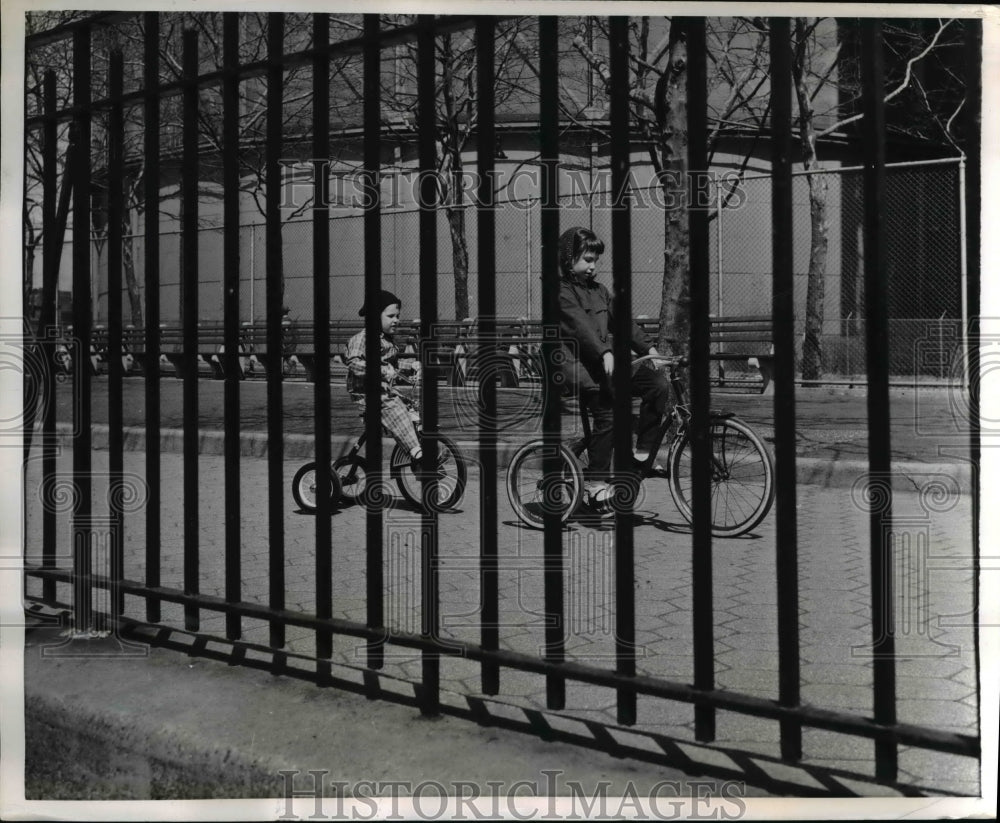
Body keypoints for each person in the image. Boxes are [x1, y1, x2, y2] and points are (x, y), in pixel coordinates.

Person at [556, 226, 672, 506]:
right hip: (579, 368)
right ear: (568, 260)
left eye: (595, 260)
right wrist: (604, 351)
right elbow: (579, 328)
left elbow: (623, 323)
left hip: (605, 365)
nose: (593, 266)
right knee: (608, 412)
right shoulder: (561, 292)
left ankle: (643, 453)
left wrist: (650, 349)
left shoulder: (600, 291)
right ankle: (595, 485)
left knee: (657, 384)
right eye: (587, 260)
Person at [345, 289, 423, 469]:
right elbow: (354, 364)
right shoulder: (362, 339)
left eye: (398, 315)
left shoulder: (388, 341)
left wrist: (411, 367)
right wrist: (379, 370)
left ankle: (417, 448)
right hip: (365, 393)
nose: (396, 319)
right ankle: (416, 451)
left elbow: (393, 368)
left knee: (410, 405)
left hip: (382, 391)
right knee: (393, 406)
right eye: (391, 316)